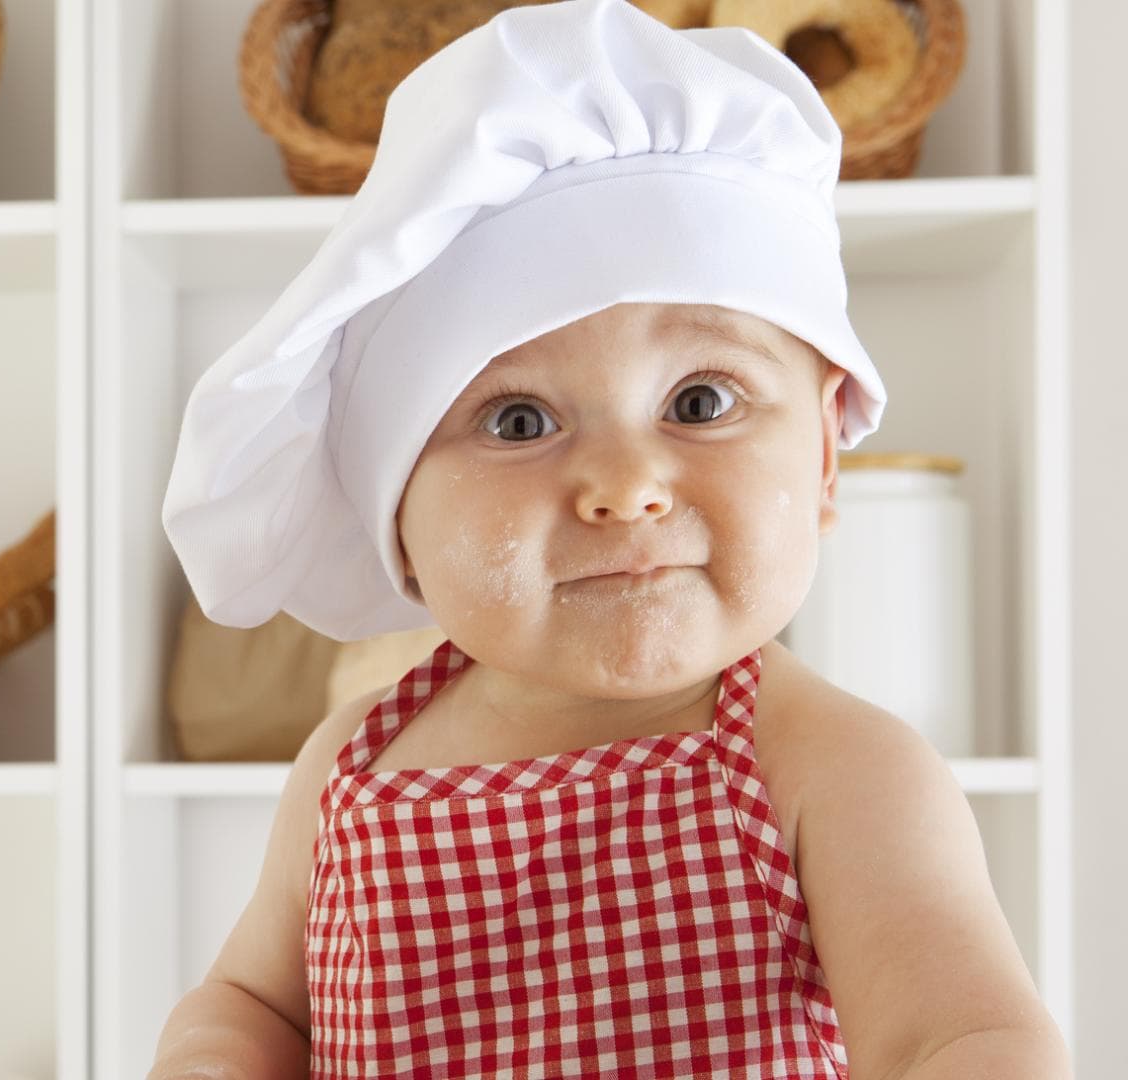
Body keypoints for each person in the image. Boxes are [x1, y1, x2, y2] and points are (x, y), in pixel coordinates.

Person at [150, 1, 1072, 1076]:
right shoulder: (349, 769)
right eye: (519, 422)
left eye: (702, 400)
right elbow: (251, 1001)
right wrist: (213, 1053)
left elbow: (961, 1035)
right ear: (395, 514)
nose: (627, 486)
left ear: (824, 456)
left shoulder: (832, 768)